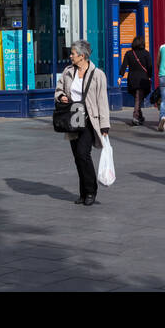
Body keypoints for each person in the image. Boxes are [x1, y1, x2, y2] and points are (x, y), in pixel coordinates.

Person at [55, 39, 111, 206]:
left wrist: (104, 125)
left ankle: (91, 190)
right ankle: (83, 192)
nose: (70, 56)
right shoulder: (67, 72)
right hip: (72, 117)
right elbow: (58, 90)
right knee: (77, 157)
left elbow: (102, 100)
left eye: (73, 54)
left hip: (89, 119)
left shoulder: (98, 74)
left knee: (83, 154)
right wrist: (61, 96)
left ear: (82, 56)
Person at [119, 36, 153, 126]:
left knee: (137, 98)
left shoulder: (129, 53)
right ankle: (135, 116)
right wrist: (150, 76)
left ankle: (140, 116)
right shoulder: (146, 53)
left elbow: (124, 66)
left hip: (132, 79)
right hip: (143, 79)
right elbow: (150, 67)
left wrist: (120, 76)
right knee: (138, 98)